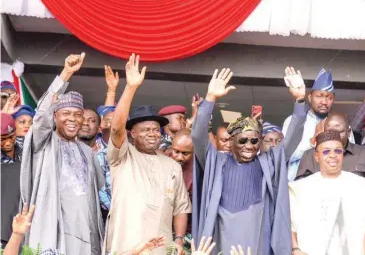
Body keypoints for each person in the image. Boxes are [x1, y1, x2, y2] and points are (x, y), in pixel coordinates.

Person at [192, 68, 306, 255]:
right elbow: (197, 136)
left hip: (258, 237)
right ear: (232, 141)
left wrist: (300, 101)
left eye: (254, 141)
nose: (249, 145)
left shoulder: (267, 163)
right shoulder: (216, 160)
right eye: (243, 140)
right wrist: (210, 97)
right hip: (221, 237)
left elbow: (292, 138)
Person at [19, 53, 105, 254]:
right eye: (65, 113)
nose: (73, 119)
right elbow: (41, 114)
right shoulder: (44, 142)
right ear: (54, 117)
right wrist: (66, 73)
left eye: (78, 115)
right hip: (55, 230)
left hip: (86, 233)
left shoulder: (87, 151)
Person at [106, 54, 191, 255]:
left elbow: (180, 207)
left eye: (155, 129)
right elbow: (117, 128)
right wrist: (130, 87)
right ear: (132, 133)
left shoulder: (172, 165)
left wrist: (179, 240)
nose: (152, 134)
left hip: (163, 247)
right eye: (145, 130)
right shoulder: (123, 156)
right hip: (127, 246)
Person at [289, 130, 365, 255]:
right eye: (326, 151)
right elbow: (291, 225)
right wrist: (295, 249)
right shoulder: (299, 188)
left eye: (338, 151)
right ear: (316, 157)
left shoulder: (361, 185)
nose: (332, 155)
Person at [295, 112, 365, 182]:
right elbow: (300, 188)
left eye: (339, 132)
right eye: (330, 131)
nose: (335, 136)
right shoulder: (310, 155)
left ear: (348, 132)